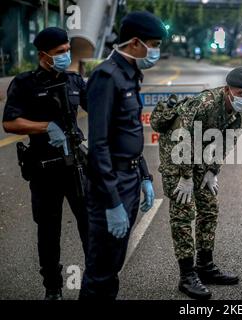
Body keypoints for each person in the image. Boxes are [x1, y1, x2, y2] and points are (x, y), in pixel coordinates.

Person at [152, 61, 242, 300]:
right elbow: (183, 140)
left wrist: (213, 170)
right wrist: (185, 177)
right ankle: (187, 276)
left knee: (209, 209)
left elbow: (227, 141)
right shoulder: (202, 105)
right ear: (227, 90)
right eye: (241, 94)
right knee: (183, 211)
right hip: (176, 149)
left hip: (202, 151)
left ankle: (205, 266)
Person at [79, 11, 166, 300]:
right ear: (135, 43)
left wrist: (144, 176)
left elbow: (127, 135)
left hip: (128, 177)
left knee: (114, 262)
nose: (156, 51)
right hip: (111, 183)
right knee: (101, 268)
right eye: (153, 44)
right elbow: (99, 145)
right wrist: (112, 201)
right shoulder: (107, 77)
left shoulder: (130, 75)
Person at [2, 27, 88, 300]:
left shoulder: (75, 81)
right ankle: (53, 288)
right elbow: (9, 122)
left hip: (76, 167)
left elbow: (98, 108)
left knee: (90, 226)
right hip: (44, 170)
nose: (66, 56)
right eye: (60, 52)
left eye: (67, 51)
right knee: (49, 233)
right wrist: (45, 127)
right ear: (43, 55)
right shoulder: (25, 83)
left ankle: (96, 283)